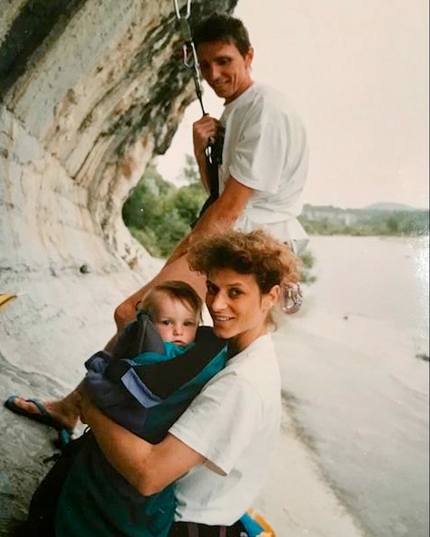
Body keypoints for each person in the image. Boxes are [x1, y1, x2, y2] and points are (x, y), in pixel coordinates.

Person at [4, 12, 309, 441]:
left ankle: (90, 418)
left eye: (224, 61)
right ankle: (91, 415)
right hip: (235, 234)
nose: (214, 75)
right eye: (204, 66)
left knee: (136, 315)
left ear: (249, 55)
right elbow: (218, 192)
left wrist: (182, 255)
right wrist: (202, 149)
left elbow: (229, 209)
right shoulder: (239, 109)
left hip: (244, 246)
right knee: (173, 336)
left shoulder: (264, 110)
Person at [26, 228, 301, 537]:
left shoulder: (242, 383)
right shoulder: (244, 348)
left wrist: (89, 404)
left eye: (235, 292)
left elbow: (149, 475)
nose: (217, 305)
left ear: (271, 296)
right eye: (212, 288)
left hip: (181, 522)